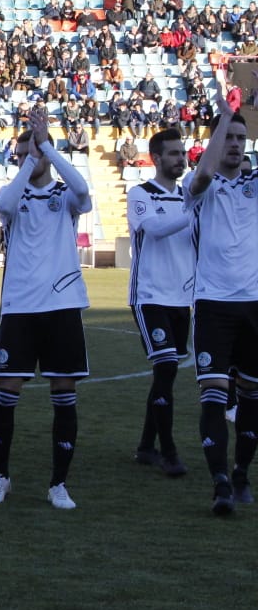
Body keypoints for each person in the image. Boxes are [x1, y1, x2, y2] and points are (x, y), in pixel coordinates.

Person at [0, 104, 92, 510]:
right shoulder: (10, 193)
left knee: (64, 392)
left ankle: (58, 484)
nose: (35, 153)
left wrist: (51, 146)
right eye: (27, 147)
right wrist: (29, 159)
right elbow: (6, 205)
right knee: (7, 390)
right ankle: (0, 476)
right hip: (20, 308)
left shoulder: (65, 196)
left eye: (39, 147)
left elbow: (83, 191)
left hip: (62, 307)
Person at [182, 94, 258, 514]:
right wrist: (225, 117)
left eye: (242, 138)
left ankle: (243, 472)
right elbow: (205, 172)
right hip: (212, 305)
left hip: (254, 305)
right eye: (228, 137)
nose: (236, 144)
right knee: (213, 396)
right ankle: (220, 483)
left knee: (251, 396)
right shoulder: (200, 188)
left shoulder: (254, 184)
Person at [127, 129, 192, 479]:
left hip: (182, 298)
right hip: (150, 296)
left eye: (183, 153)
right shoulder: (140, 193)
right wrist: (193, 212)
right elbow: (153, 229)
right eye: (173, 154)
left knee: (163, 374)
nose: (180, 159)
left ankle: (144, 447)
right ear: (156, 158)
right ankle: (168, 453)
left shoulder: (187, 196)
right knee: (166, 367)